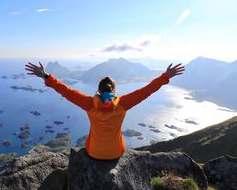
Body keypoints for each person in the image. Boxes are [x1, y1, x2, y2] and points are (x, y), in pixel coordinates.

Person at [25, 61, 185, 160]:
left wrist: (45, 76)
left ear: (98, 91)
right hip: (116, 153)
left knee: (89, 141)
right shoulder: (123, 103)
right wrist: (165, 76)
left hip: (93, 153)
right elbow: (146, 90)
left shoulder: (89, 103)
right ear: (114, 91)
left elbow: (66, 91)